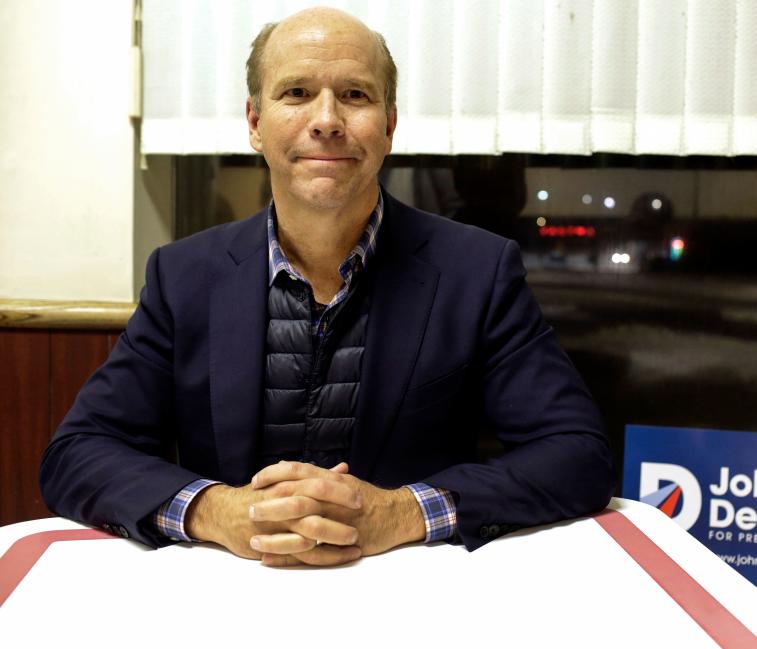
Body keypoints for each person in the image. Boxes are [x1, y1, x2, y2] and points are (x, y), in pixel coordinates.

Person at [39, 6, 614, 567]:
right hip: (227, 594)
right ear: (254, 123)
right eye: (295, 93)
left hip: (413, 591)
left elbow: (577, 454)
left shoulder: (476, 271)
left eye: (356, 95)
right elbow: (78, 454)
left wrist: (403, 511)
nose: (327, 119)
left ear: (389, 125)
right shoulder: (184, 276)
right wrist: (218, 512)